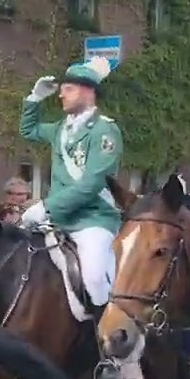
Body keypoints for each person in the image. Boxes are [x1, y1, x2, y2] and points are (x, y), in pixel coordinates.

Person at [18, 56, 122, 318]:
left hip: (93, 221)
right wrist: (33, 99)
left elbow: (91, 185)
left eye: (68, 89)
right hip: (59, 221)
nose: (61, 95)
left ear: (88, 91)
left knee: (95, 279)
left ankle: (109, 347)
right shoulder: (59, 130)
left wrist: (46, 208)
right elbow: (28, 130)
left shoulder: (105, 132)